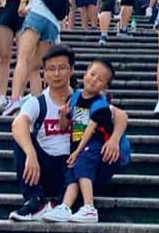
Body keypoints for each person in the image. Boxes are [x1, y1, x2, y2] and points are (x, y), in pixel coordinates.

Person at [45, 57, 131, 224]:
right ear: (84, 74)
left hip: (93, 144)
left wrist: (76, 152)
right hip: (77, 145)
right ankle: (65, 207)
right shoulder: (75, 97)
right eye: (92, 74)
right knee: (72, 174)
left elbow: (91, 130)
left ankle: (89, 207)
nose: (94, 80)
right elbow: (64, 126)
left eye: (100, 79)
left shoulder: (100, 105)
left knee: (83, 167)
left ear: (105, 87)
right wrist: (63, 115)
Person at [8, 44, 74, 222]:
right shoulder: (38, 102)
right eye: (51, 69)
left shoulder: (81, 100)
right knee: (21, 139)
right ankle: (34, 200)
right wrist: (31, 153)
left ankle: (62, 202)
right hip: (42, 165)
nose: (57, 74)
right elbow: (18, 123)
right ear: (44, 73)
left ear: (71, 70)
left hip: (70, 166)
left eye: (62, 68)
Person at [4, 0, 66, 115]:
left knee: (23, 58)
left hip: (36, 15)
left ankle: (14, 100)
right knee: (35, 67)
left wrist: (23, 2)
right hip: (54, 25)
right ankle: (38, 104)